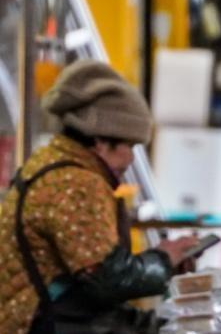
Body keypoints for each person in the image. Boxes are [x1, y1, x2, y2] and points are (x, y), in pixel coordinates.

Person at [0, 60, 199, 334]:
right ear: (100, 142)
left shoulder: (52, 163)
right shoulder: (77, 183)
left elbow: (92, 266)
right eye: (128, 146)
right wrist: (164, 259)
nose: (130, 159)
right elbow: (109, 280)